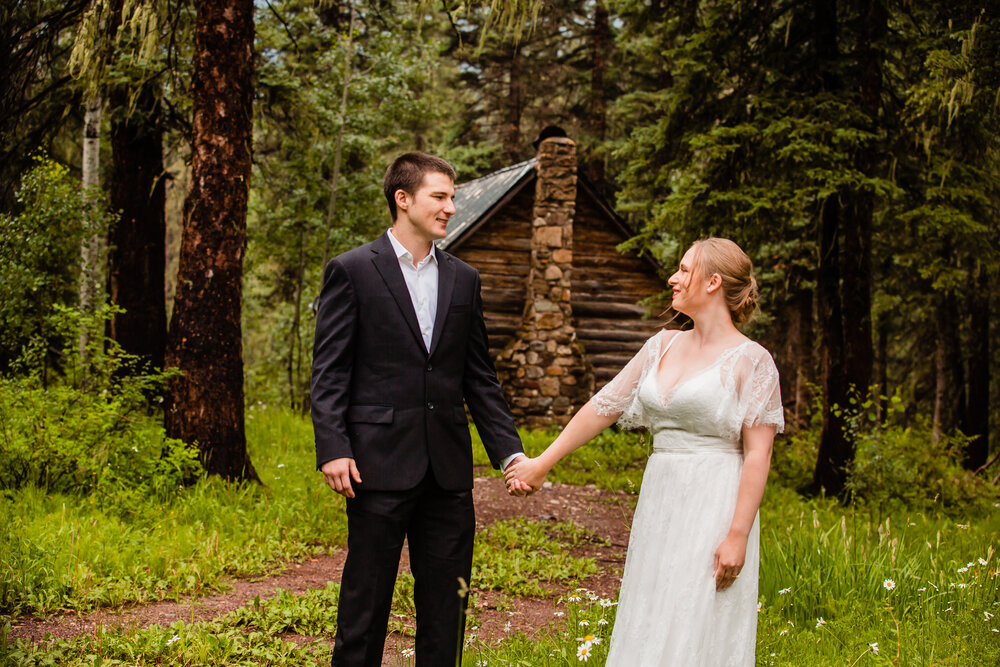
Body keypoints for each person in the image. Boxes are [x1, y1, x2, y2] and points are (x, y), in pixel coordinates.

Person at [505, 237, 784, 666]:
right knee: (652, 607)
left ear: (713, 282)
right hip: (662, 498)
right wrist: (543, 462)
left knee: (698, 616)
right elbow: (603, 406)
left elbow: (758, 455)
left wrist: (738, 535)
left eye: (685, 270)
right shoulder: (662, 345)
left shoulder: (753, 360)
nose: (674, 277)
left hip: (716, 501)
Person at [311, 152, 529, 667]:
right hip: (376, 466)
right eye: (440, 196)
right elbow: (330, 373)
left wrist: (510, 454)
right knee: (364, 607)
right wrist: (333, 449)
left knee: (447, 608)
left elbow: (479, 377)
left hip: (448, 473)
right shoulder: (352, 270)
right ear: (402, 199)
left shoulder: (464, 278)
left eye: (452, 197)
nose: (451, 207)